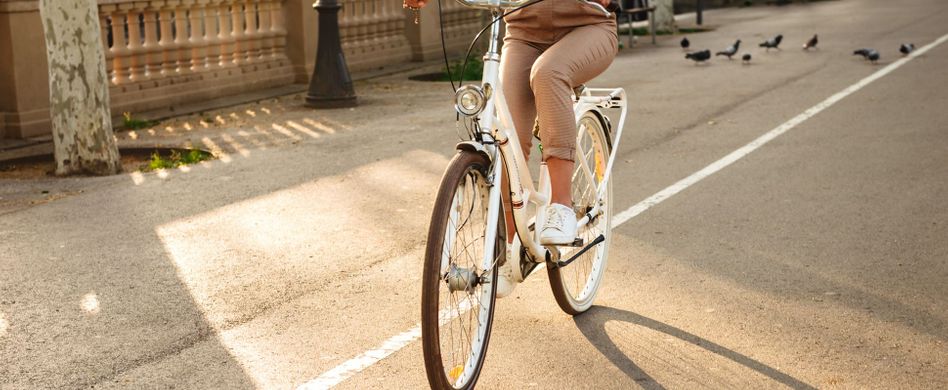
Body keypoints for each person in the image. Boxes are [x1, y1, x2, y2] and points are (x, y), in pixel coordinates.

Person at [405, 0, 618, 296]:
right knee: (506, 140)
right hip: (523, 33)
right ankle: (508, 249)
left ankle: (561, 207)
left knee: (547, 73)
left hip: (587, 26)